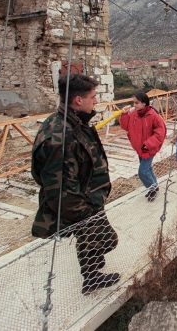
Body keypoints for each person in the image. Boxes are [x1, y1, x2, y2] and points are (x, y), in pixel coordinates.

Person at [31, 73, 119, 294]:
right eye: (93, 96)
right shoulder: (59, 135)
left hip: (90, 198)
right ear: (78, 100)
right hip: (82, 204)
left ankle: (91, 276)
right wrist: (85, 215)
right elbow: (59, 190)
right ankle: (91, 274)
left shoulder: (74, 122)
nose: (96, 101)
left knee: (92, 242)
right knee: (105, 239)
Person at [119, 92, 166, 201]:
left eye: (137, 103)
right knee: (147, 168)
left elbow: (160, 132)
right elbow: (126, 127)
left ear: (144, 103)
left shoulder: (153, 115)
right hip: (139, 148)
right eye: (133, 102)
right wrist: (125, 115)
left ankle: (152, 189)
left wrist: (148, 144)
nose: (134, 105)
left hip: (148, 148)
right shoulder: (134, 114)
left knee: (142, 172)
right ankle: (154, 185)